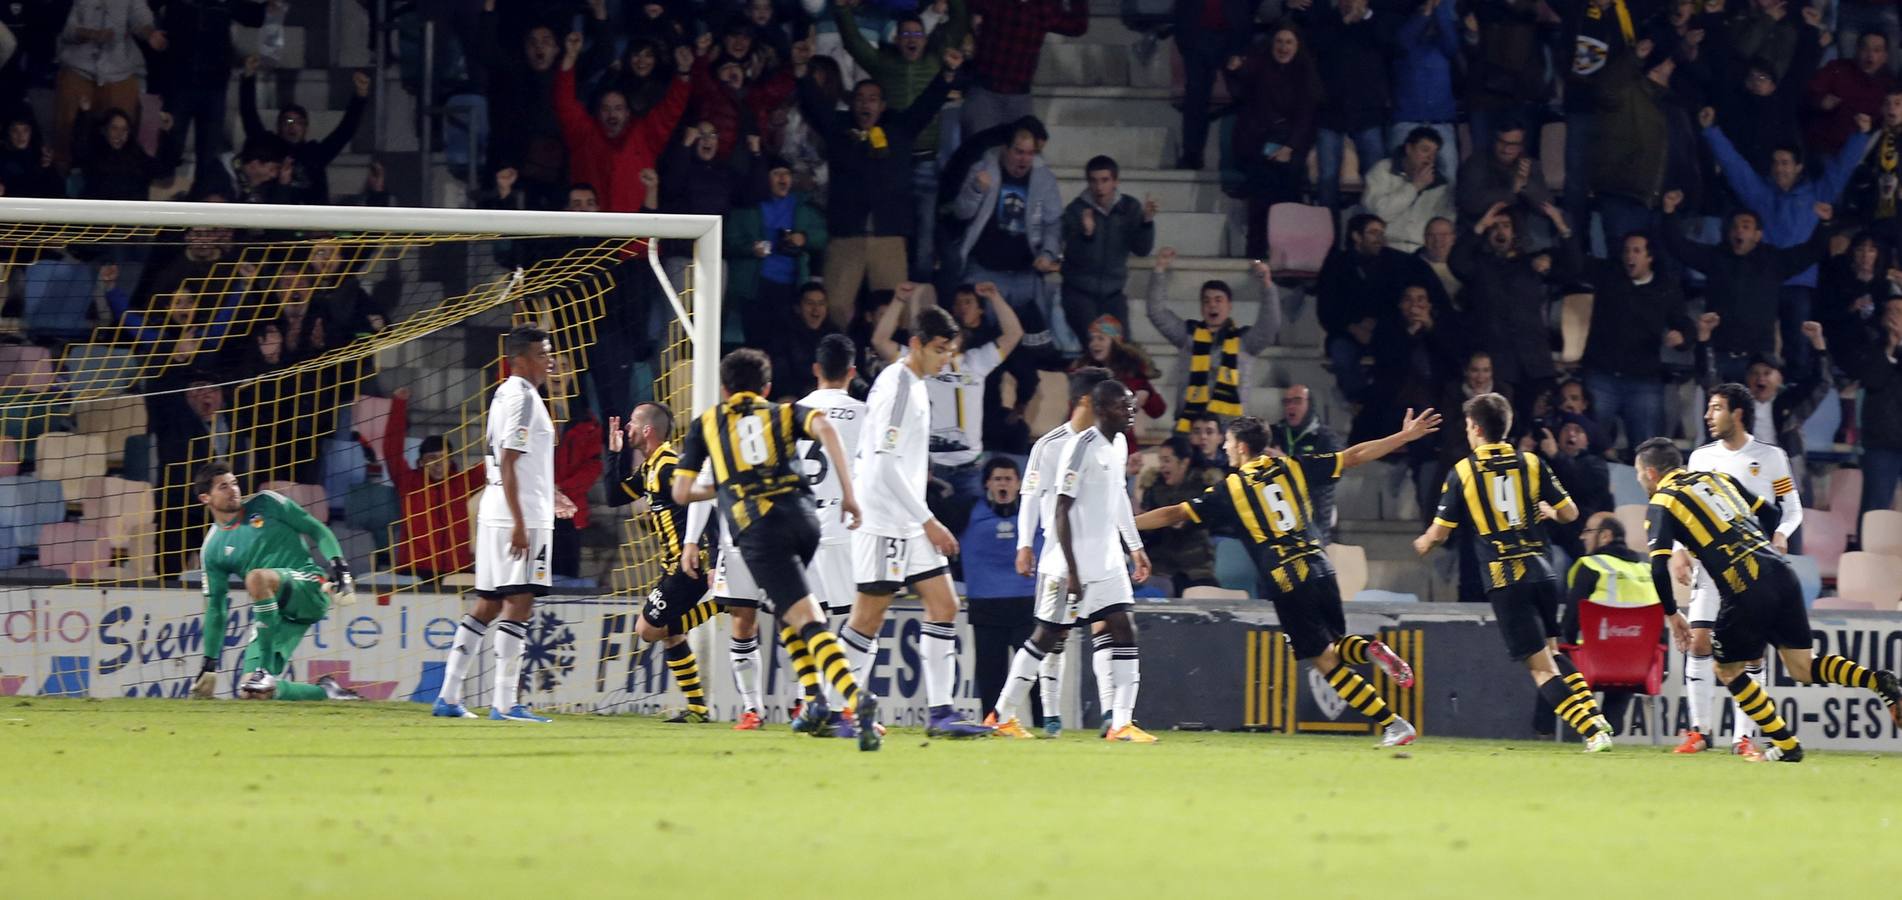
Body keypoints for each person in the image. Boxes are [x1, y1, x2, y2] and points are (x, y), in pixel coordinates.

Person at [1139, 413, 1435, 746]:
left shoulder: (1232, 488)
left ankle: (1393, 722)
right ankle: (1370, 650)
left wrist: (1128, 524)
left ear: (1240, 446)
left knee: (1324, 662)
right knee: (1335, 646)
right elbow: (1353, 456)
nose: (1224, 447)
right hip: (1321, 566)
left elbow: (1175, 513)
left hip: (1286, 577)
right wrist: (1402, 437)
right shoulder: (1293, 466)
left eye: (1227, 442)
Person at [1634, 438, 1902, 762]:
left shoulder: (1663, 500)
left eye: (1638, 474)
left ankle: (1786, 744)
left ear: (1650, 472)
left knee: (1728, 669)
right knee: (1803, 667)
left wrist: (1672, 614)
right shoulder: (1718, 478)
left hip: (1745, 582)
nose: (1639, 480)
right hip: (1781, 573)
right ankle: (1878, 680)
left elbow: (1659, 566)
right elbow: (1772, 512)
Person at [671, 348, 880, 751]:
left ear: (724, 387)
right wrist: (850, 495)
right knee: (790, 608)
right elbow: (827, 430)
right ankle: (816, 702)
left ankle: (855, 699)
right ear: (765, 387)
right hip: (807, 520)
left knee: (805, 618)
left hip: (760, 529)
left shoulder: (708, 423)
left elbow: (682, 492)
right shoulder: (783, 412)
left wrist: (726, 485)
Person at [1413, 393, 1617, 751]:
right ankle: (1594, 716)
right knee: (1553, 653)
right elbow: (1570, 513)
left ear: (1475, 428)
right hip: (1543, 570)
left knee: (1540, 668)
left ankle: (1591, 731)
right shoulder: (1532, 463)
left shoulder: (1464, 471)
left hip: (1506, 577)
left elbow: (1441, 532)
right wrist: (1549, 512)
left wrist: (1424, 542)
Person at [840, 306, 994, 737]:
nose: (946, 359)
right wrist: (929, 521)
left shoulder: (914, 383)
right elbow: (884, 465)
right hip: (887, 520)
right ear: (916, 345)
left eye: (951, 351)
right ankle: (834, 710)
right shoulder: (901, 388)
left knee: (943, 605)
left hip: (907, 518)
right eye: (940, 350)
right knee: (867, 620)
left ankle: (941, 714)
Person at [990, 378, 1153, 741]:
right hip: (1069, 565)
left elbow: (1119, 497)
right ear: (1100, 408)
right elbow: (1061, 511)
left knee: (1125, 628)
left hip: (1108, 562)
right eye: (1122, 405)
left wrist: (1134, 545)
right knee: (1047, 637)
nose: (1131, 410)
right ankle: (1002, 713)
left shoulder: (1121, 444)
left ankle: (1121, 722)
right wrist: (1072, 571)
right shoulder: (1078, 448)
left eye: (1130, 404)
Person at [431, 327, 576, 723]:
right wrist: (519, 521)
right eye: (543, 354)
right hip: (520, 515)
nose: (550, 360)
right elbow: (510, 461)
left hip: (502, 507)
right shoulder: (525, 399)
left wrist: (553, 492)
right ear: (520, 360)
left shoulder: (505, 394)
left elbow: (514, 463)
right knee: (520, 602)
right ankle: (505, 703)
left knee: (488, 603)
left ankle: (448, 696)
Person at [1669, 382, 1806, 755]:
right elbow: (1685, 512)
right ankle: (1699, 730)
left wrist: (1780, 533)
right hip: (1711, 566)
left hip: (1753, 568)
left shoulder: (1771, 458)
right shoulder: (1700, 459)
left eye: (1715, 409)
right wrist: (1679, 550)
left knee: (1750, 655)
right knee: (1699, 642)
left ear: (1737, 413)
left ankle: (1743, 737)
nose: (1707, 415)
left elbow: (1792, 508)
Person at [800, 46, 964, 328]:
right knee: (834, 308)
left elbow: (926, 105)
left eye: (873, 99)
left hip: (889, 237)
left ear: (883, 105)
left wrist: (947, 73)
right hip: (846, 236)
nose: (866, 104)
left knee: (894, 311)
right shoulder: (838, 130)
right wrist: (802, 72)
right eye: (861, 99)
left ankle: (887, 368)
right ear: (852, 105)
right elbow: (814, 107)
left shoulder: (898, 131)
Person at [1701, 106, 1873, 373]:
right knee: (1761, 344)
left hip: (1800, 280)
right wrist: (1711, 131)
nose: (1779, 168)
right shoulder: (1759, 195)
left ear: (1798, 167)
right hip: (1764, 279)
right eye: (1776, 163)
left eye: (1785, 163)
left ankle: (1794, 389)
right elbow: (1735, 166)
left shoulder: (1817, 193)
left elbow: (1841, 169)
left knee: (1798, 344)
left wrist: (1860, 136)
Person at [185, 463, 361, 702]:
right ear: (205, 497)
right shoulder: (212, 549)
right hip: (275, 610)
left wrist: (340, 569)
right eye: (223, 486)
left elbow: (315, 528)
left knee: (256, 577)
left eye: (234, 483)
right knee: (252, 692)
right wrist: (209, 663)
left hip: (308, 586)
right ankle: (327, 692)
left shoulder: (267, 503)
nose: (233, 490)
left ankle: (264, 670)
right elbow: (216, 608)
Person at [602, 401, 723, 723]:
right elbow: (614, 497)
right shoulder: (649, 468)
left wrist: (712, 561)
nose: (626, 428)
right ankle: (698, 709)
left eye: (631, 423)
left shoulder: (670, 468)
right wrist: (614, 453)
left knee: (647, 629)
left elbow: (705, 503)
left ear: (647, 430)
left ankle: (722, 603)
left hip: (689, 565)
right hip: (672, 565)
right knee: (671, 633)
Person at [1010, 367, 1115, 736]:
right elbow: (1030, 498)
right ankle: (1051, 716)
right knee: (1056, 634)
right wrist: (1025, 544)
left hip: (1101, 553)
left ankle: (1111, 715)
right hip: (1060, 553)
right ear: (1087, 400)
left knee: (1109, 626)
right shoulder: (1049, 445)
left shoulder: (1110, 442)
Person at [833, 0, 971, 279]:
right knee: (892, 233)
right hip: (890, 164)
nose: (911, 39)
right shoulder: (883, 64)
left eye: (916, 34)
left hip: (925, 161)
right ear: (896, 39)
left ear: (925, 38)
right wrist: (842, 9)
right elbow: (854, 43)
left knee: (925, 235)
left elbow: (959, 22)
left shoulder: (936, 61)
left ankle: (919, 295)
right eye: (905, 34)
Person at [779, 334, 871, 734]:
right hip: (848, 531)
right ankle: (842, 710)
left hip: (800, 534)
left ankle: (810, 701)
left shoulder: (787, 414)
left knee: (811, 625)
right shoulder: (866, 415)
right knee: (862, 627)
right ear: (852, 372)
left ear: (816, 370)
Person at [871, 282, 1024, 502]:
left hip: (970, 468)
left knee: (968, 533)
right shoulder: (921, 362)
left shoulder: (977, 361)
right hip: (931, 467)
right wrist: (898, 301)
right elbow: (879, 341)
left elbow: (1014, 333)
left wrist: (994, 297)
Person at [1661, 189, 1834, 382]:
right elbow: (1679, 247)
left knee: (1755, 412)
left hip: (1759, 360)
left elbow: (1811, 252)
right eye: (1734, 227)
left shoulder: (1773, 261)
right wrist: (1669, 212)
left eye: (1745, 226)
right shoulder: (1716, 257)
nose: (1739, 230)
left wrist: (1825, 224)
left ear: (1758, 235)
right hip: (1718, 355)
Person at [1451, 201, 1579, 417]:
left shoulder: (1532, 263)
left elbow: (1574, 267)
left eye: (1505, 226)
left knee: (1538, 420)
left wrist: (1562, 227)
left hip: (1534, 361)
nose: (1500, 232)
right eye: (1495, 227)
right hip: (1499, 364)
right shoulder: (1480, 266)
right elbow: (1456, 262)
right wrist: (1480, 225)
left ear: (1515, 232)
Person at [552, 32, 692, 213]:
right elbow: (564, 102)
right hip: (589, 231)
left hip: (634, 234)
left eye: (618, 108)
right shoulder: (583, 132)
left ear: (627, 113)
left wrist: (683, 73)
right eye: (606, 109)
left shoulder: (645, 134)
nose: (612, 114)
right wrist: (570, 56)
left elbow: (672, 108)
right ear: (597, 112)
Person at [953, 124, 1066, 345]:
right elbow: (961, 212)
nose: (1024, 159)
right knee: (981, 341)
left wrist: (1049, 252)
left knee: (1028, 342)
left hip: (1025, 275)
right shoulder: (983, 169)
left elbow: (1053, 223)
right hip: (985, 271)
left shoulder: (1044, 179)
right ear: (1006, 149)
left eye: (1030, 153)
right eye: (1019, 152)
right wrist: (976, 190)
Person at [1146, 248, 1281, 433]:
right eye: (1207, 301)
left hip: (1232, 432)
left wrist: (1267, 285)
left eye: (1219, 300)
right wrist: (1159, 270)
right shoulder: (1187, 336)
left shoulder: (1245, 341)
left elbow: (1270, 325)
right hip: (1189, 428)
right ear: (1202, 307)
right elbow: (1157, 313)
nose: (1212, 305)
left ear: (1229, 306)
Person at [1315, 214, 1446, 404]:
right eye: (1373, 233)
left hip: (1388, 330)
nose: (1379, 238)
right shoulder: (1337, 265)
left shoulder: (1395, 261)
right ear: (1356, 236)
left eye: (1381, 233)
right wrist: (1353, 327)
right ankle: (1358, 402)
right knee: (1342, 356)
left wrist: (1382, 326)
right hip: (1347, 332)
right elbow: (1326, 309)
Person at [1578, 231, 1691, 451]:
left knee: (1647, 449)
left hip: (1643, 378)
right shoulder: (1609, 275)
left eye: (1636, 251)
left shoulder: (1665, 288)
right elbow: (1575, 263)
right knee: (1588, 442)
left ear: (1650, 257)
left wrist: (1682, 338)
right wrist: (1566, 230)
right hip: (1602, 373)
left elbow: (1684, 325)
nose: (1630, 255)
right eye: (1627, 250)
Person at [954, 457, 1043, 726]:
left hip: (1026, 604)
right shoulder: (968, 513)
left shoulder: (1036, 514)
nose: (1003, 484)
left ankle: (1045, 725)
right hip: (986, 606)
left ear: (1019, 485)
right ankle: (992, 725)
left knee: (1033, 676)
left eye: (1008, 479)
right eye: (997, 479)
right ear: (987, 485)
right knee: (990, 676)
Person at [1223, 22, 1322, 259]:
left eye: (1289, 42)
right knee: (1262, 189)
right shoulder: (1261, 65)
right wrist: (1234, 68)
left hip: (1291, 143)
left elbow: (1306, 117)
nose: (1283, 47)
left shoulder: (1305, 73)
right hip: (1258, 143)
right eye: (1279, 42)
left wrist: (1289, 147)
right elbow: (1243, 72)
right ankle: (1256, 253)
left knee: (1287, 188)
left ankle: (1290, 254)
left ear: (1298, 46)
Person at [1559, 512, 1658, 731]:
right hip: (1639, 666)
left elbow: (1570, 623)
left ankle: (1545, 730)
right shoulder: (1647, 569)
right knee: (1628, 652)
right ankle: (1612, 725)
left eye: (1588, 531)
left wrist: (1564, 644)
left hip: (1594, 663)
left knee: (1552, 658)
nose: (1582, 537)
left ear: (1605, 536)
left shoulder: (1591, 566)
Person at [724, 155, 829, 345]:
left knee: (786, 343)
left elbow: (824, 236)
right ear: (765, 178)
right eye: (776, 174)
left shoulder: (802, 206)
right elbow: (728, 241)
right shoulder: (749, 206)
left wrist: (804, 238)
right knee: (757, 343)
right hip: (755, 287)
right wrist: (751, 249)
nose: (783, 179)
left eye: (786, 174)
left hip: (792, 287)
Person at [382, 387, 483, 579]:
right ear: (420, 463)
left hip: (456, 571)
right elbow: (391, 450)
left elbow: (498, 460)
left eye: (442, 458)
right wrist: (398, 405)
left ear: (451, 460)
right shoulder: (409, 481)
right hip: (415, 570)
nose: (437, 464)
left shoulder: (462, 482)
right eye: (431, 459)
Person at [238, 58, 370, 204]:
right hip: (276, 219)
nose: (293, 126)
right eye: (288, 121)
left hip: (311, 222)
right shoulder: (267, 148)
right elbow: (249, 116)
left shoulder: (315, 154)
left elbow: (345, 131)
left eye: (299, 122)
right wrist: (248, 77)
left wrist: (360, 96)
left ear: (306, 128)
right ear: (279, 125)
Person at [1059, 155, 1157, 347]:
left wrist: (1146, 222)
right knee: (1096, 345)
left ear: (1115, 181)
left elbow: (1142, 249)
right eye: (1094, 181)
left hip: (1112, 293)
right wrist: (1087, 234)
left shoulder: (1129, 207)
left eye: (1105, 180)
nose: (1099, 187)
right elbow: (1073, 258)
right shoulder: (1076, 210)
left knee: (1122, 348)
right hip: (1080, 292)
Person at [959, 0, 1088, 138]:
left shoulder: (1043, 7)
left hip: (1019, 96)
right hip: (985, 92)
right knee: (981, 154)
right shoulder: (995, 3)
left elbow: (1077, 26)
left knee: (1023, 152)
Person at [1138, 436, 1218, 592]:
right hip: (1161, 567)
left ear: (1184, 463)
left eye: (1167, 460)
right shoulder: (1153, 488)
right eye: (1161, 461)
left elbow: (1207, 521)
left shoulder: (1202, 488)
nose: (1162, 466)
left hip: (1196, 567)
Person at [1360, 126, 1455, 253]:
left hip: (1423, 251)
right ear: (1409, 148)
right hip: (1386, 247)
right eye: (1425, 150)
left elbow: (1445, 224)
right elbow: (1378, 215)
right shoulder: (1382, 170)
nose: (1430, 158)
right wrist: (1414, 187)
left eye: (1434, 153)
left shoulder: (1441, 184)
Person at [1455, 118, 1552, 234]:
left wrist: (1526, 185)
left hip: (1519, 233)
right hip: (1482, 230)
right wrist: (1512, 190)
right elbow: (1469, 203)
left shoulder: (1529, 165)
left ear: (1522, 146)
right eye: (1502, 142)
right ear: (1494, 141)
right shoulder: (1476, 162)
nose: (1506, 149)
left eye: (1513, 144)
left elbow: (1548, 207)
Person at [767, 283, 844, 401]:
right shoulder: (783, 333)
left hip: (825, 394)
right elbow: (780, 371)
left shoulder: (834, 335)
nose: (816, 309)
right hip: (792, 394)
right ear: (798, 308)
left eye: (821, 304)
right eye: (810, 303)